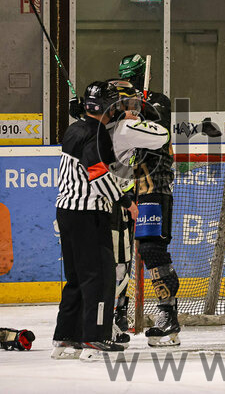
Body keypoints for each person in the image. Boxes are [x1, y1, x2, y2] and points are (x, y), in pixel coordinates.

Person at [52, 81, 130, 359]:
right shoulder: (95, 134)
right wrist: (125, 202)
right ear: (107, 106)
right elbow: (97, 172)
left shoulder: (75, 129)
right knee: (100, 277)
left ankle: (65, 337)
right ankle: (94, 338)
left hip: (66, 211)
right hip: (88, 213)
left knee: (76, 278)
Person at [117, 54, 181, 347]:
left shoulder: (158, 101)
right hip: (122, 183)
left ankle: (168, 316)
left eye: (133, 78)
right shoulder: (118, 104)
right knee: (118, 252)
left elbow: (160, 126)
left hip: (153, 181)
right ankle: (117, 313)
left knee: (152, 250)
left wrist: (140, 106)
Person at [104, 80, 172, 346]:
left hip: (144, 192)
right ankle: (109, 319)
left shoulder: (92, 129)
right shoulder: (120, 127)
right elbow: (159, 136)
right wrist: (133, 119)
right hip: (117, 199)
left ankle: (102, 321)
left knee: (138, 255)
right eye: (127, 103)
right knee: (116, 262)